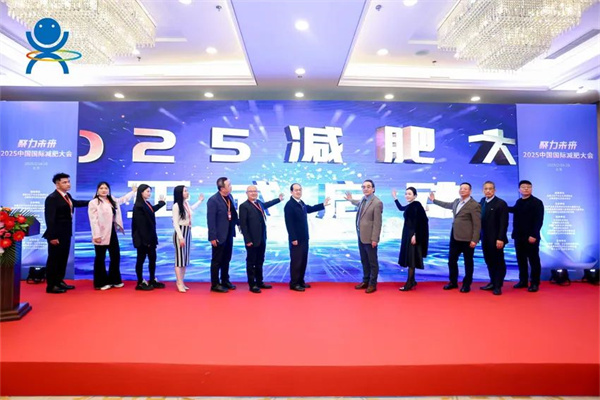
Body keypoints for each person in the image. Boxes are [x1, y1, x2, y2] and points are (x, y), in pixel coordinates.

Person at [429, 182, 481, 293]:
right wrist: (434, 200)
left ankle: (466, 284)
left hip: (467, 239)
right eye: (461, 188)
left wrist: (475, 239)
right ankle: (453, 282)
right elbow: (446, 205)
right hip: (455, 237)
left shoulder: (474, 205)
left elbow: (477, 224)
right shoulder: (457, 201)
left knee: (468, 262)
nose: (462, 190)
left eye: (465, 189)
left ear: (470, 191)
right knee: (451, 261)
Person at [43, 173, 89, 294]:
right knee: (54, 259)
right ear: (57, 184)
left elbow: (76, 203)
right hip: (56, 234)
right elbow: (49, 219)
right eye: (64, 182)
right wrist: (52, 236)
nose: (68, 184)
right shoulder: (52, 198)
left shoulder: (67, 196)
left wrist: (92, 201)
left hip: (66, 233)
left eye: (68, 182)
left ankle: (59, 281)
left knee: (63, 258)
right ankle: (51, 285)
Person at [87, 182, 136, 290]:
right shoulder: (93, 203)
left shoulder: (112, 200)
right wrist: (96, 235)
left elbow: (122, 200)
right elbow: (93, 221)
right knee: (100, 258)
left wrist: (133, 192)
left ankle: (114, 280)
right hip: (100, 233)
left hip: (112, 232)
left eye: (106, 188)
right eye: (101, 188)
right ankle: (100, 283)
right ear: (97, 190)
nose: (104, 190)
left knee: (115, 256)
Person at [284, 183, 330, 292]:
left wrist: (322, 205)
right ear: (291, 192)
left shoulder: (301, 202)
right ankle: (294, 283)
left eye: (300, 190)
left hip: (304, 237)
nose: (298, 192)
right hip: (296, 239)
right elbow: (289, 223)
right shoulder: (289, 205)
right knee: (296, 261)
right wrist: (293, 238)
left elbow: (309, 209)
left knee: (303, 260)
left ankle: (300, 281)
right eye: (296, 190)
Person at [239, 186, 284, 293]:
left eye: (255, 191)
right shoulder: (244, 206)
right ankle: (252, 284)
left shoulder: (258, 203)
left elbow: (267, 204)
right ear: (246, 193)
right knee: (251, 262)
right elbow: (243, 225)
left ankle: (259, 281)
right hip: (252, 240)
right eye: (251, 191)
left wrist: (278, 199)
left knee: (260, 261)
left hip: (262, 238)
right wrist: (247, 240)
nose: (253, 193)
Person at [344, 180, 383, 293]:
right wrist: (351, 200)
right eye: (364, 187)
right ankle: (365, 281)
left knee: (372, 262)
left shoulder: (377, 203)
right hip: (361, 236)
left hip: (370, 238)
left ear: (373, 189)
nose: (365, 189)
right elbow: (359, 204)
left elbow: (377, 223)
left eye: (368, 187)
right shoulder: (363, 199)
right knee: (364, 260)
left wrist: (375, 239)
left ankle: (372, 284)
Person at [509, 180, 544, 292]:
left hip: (531, 237)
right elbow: (514, 210)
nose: (526, 189)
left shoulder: (537, 202)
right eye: (523, 187)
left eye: (528, 187)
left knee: (533, 260)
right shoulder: (519, 202)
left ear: (531, 189)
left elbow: (539, 220)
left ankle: (534, 283)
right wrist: (501, 207)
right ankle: (523, 281)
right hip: (519, 236)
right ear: (519, 190)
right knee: (521, 260)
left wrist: (533, 235)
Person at [392, 187, 429, 291]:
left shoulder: (417, 205)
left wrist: (416, 235)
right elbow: (401, 208)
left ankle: (409, 283)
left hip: (413, 235)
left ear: (415, 196)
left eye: (409, 194)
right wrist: (395, 198)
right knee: (409, 258)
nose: (407, 196)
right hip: (407, 234)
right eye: (406, 194)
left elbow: (423, 221)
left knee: (411, 259)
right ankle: (412, 280)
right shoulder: (410, 205)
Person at [207, 177, 239, 293]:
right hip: (219, 235)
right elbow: (210, 220)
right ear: (222, 188)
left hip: (229, 233)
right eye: (228, 185)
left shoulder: (230, 197)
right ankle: (215, 284)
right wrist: (212, 237)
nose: (231, 186)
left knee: (226, 259)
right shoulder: (213, 200)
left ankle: (225, 280)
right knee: (217, 260)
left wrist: (240, 224)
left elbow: (233, 214)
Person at [132, 184, 166, 291]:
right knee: (141, 260)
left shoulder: (146, 203)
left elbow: (151, 210)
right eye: (147, 191)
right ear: (141, 192)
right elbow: (141, 226)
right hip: (143, 239)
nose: (149, 193)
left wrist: (161, 204)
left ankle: (152, 279)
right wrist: (146, 241)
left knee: (152, 259)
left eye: (150, 191)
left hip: (150, 237)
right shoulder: (138, 206)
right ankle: (140, 282)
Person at [172, 185, 204, 293]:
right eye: (185, 191)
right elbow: (175, 223)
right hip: (180, 232)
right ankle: (179, 282)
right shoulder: (176, 206)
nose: (187, 192)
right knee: (179, 259)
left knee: (184, 259)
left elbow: (191, 209)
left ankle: (182, 281)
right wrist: (181, 237)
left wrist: (199, 201)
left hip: (188, 231)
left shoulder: (185, 203)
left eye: (187, 190)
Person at [479, 181, 508, 295]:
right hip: (485, 238)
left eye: (490, 189)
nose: (488, 191)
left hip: (496, 239)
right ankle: (492, 282)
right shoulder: (482, 201)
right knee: (489, 261)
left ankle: (498, 285)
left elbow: (504, 223)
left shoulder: (501, 203)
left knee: (498, 262)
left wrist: (500, 238)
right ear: (483, 190)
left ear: (494, 190)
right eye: (486, 189)